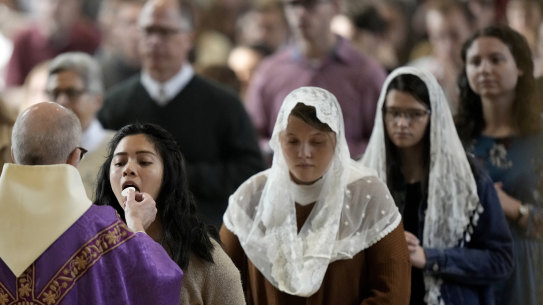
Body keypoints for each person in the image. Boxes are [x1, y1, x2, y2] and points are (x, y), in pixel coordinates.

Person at [221, 86, 411, 304]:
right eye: (292, 141)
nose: (304, 153)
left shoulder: (366, 195)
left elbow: (392, 291)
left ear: (336, 142)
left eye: (317, 142)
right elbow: (222, 283)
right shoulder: (252, 196)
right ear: (278, 140)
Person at [98, 0, 264, 228]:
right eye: (148, 31)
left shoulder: (223, 104)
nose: (155, 41)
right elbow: (100, 174)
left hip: (205, 238)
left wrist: (183, 174)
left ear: (189, 38)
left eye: (165, 32)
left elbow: (250, 171)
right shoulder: (115, 104)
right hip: (129, 239)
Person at [0, 102, 182, 304]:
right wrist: (137, 227)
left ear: (14, 155)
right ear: (75, 157)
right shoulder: (105, 232)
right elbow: (155, 283)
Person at [360, 66, 514, 305]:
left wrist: (429, 257)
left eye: (413, 114)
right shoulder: (366, 177)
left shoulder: (467, 178)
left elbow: (500, 260)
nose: (401, 123)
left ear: (433, 116)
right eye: (394, 113)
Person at [94, 122, 246, 305]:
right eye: (119, 162)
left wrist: (135, 224)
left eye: (144, 161)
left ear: (168, 176)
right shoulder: (91, 247)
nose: (128, 169)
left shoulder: (206, 260)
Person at [456, 25, 543, 305]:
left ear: (519, 67)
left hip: (528, 266)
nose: (484, 69)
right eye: (475, 62)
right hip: (467, 261)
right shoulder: (454, 137)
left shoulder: (539, 136)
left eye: (496, 59)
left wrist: (512, 207)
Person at [246, 0, 386, 161]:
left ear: (335, 7)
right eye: (293, 5)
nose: (300, 13)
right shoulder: (269, 71)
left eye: (310, 4)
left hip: (348, 181)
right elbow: (253, 138)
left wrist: (332, 150)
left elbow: (380, 140)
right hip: (286, 180)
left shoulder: (366, 72)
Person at [46, 52, 115, 200]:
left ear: (97, 100)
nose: (62, 101)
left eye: (72, 93)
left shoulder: (118, 151)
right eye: (54, 93)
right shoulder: (39, 151)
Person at [5, 0, 100, 87]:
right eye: (51, 1)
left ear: (76, 6)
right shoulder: (23, 40)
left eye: (63, 2)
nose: (55, 8)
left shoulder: (89, 39)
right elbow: (11, 90)